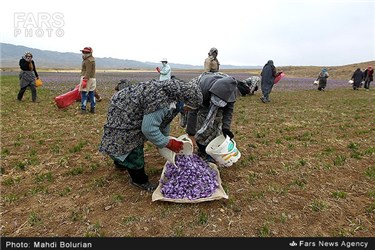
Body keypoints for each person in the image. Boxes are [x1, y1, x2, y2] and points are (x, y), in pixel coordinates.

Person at [99, 78, 203, 192]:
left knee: (124, 143)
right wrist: (168, 143)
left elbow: (164, 120)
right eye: (189, 108)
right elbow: (148, 129)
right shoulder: (160, 101)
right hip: (124, 110)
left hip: (127, 105)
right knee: (131, 144)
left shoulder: (174, 96)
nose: (187, 111)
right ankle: (139, 180)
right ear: (185, 101)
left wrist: (165, 138)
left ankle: (121, 163)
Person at [185, 72, 238, 160]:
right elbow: (193, 110)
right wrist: (191, 134)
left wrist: (226, 128)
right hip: (203, 98)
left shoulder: (231, 92)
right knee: (202, 119)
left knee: (217, 122)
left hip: (216, 96)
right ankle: (202, 148)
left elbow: (228, 111)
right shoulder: (201, 89)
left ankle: (212, 150)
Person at [79, 47, 97, 114]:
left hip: (87, 78)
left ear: (90, 53)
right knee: (91, 93)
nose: (85, 53)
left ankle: (83, 109)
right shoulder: (92, 60)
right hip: (93, 79)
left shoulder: (88, 61)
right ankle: (93, 108)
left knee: (84, 94)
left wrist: (85, 80)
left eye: (86, 52)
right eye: (84, 52)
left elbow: (88, 71)